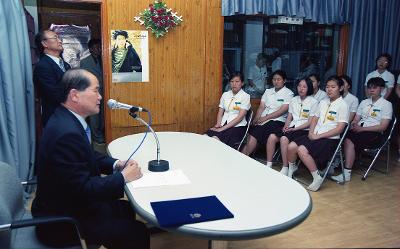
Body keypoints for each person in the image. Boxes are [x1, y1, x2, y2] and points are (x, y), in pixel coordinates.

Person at [31, 69, 149, 249]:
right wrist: (123, 177)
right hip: (62, 221)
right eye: (96, 90)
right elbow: (83, 189)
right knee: (137, 232)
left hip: (68, 203)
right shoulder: (66, 133)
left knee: (126, 208)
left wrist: (117, 164)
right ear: (75, 95)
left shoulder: (66, 119)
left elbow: (87, 155)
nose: (100, 97)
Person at [286, 76, 349, 191]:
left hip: (330, 138)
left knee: (301, 150)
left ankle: (317, 178)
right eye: (328, 87)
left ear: (340, 88)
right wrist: (311, 133)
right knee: (291, 147)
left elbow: (340, 129)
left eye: (333, 87)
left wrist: (318, 136)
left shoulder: (343, 105)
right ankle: (291, 171)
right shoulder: (323, 102)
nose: (329, 89)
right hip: (315, 134)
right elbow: (314, 119)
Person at [331, 77, 393, 182]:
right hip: (359, 130)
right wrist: (354, 124)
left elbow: (383, 127)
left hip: (374, 134)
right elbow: (356, 119)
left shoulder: (386, 104)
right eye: (369, 88)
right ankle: (332, 165)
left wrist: (362, 129)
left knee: (348, 140)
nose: (371, 90)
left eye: (375, 88)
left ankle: (346, 174)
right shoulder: (364, 102)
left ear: (382, 89)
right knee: (338, 135)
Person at [241, 70, 294, 167]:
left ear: (284, 81)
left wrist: (265, 118)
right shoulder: (268, 91)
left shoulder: (288, 93)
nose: (276, 81)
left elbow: (282, 110)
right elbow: (261, 107)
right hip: (264, 120)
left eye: (279, 79)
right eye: (274, 79)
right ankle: (243, 158)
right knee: (252, 132)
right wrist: (256, 119)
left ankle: (246, 158)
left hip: (278, 121)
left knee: (257, 131)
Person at [277, 78, 318, 177]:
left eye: (304, 86)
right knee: (283, 138)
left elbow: (310, 122)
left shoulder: (314, 102)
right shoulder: (293, 100)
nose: (301, 88)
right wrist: (286, 126)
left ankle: (292, 165)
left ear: (309, 88)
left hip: (304, 130)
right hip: (293, 127)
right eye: (299, 86)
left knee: (291, 143)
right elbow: (289, 117)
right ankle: (285, 166)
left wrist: (294, 129)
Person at [34, 29, 71, 126]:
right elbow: (54, 93)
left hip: (69, 115)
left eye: (59, 38)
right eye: (55, 38)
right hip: (55, 118)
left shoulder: (66, 65)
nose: (60, 41)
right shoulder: (43, 66)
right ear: (45, 43)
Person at [206, 72, 251, 148]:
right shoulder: (225, 94)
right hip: (223, 124)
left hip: (237, 127)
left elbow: (239, 118)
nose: (234, 84)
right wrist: (218, 124)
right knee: (206, 136)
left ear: (242, 83)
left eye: (237, 81)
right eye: (232, 81)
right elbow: (220, 112)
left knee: (215, 139)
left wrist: (222, 129)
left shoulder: (245, 96)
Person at [80, 38, 105, 143]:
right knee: (94, 116)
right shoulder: (84, 62)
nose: (99, 49)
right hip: (93, 92)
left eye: (100, 47)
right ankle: (96, 137)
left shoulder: (105, 59)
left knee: (104, 114)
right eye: (96, 47)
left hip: (106, 91)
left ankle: (103, 133)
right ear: (90, 49)